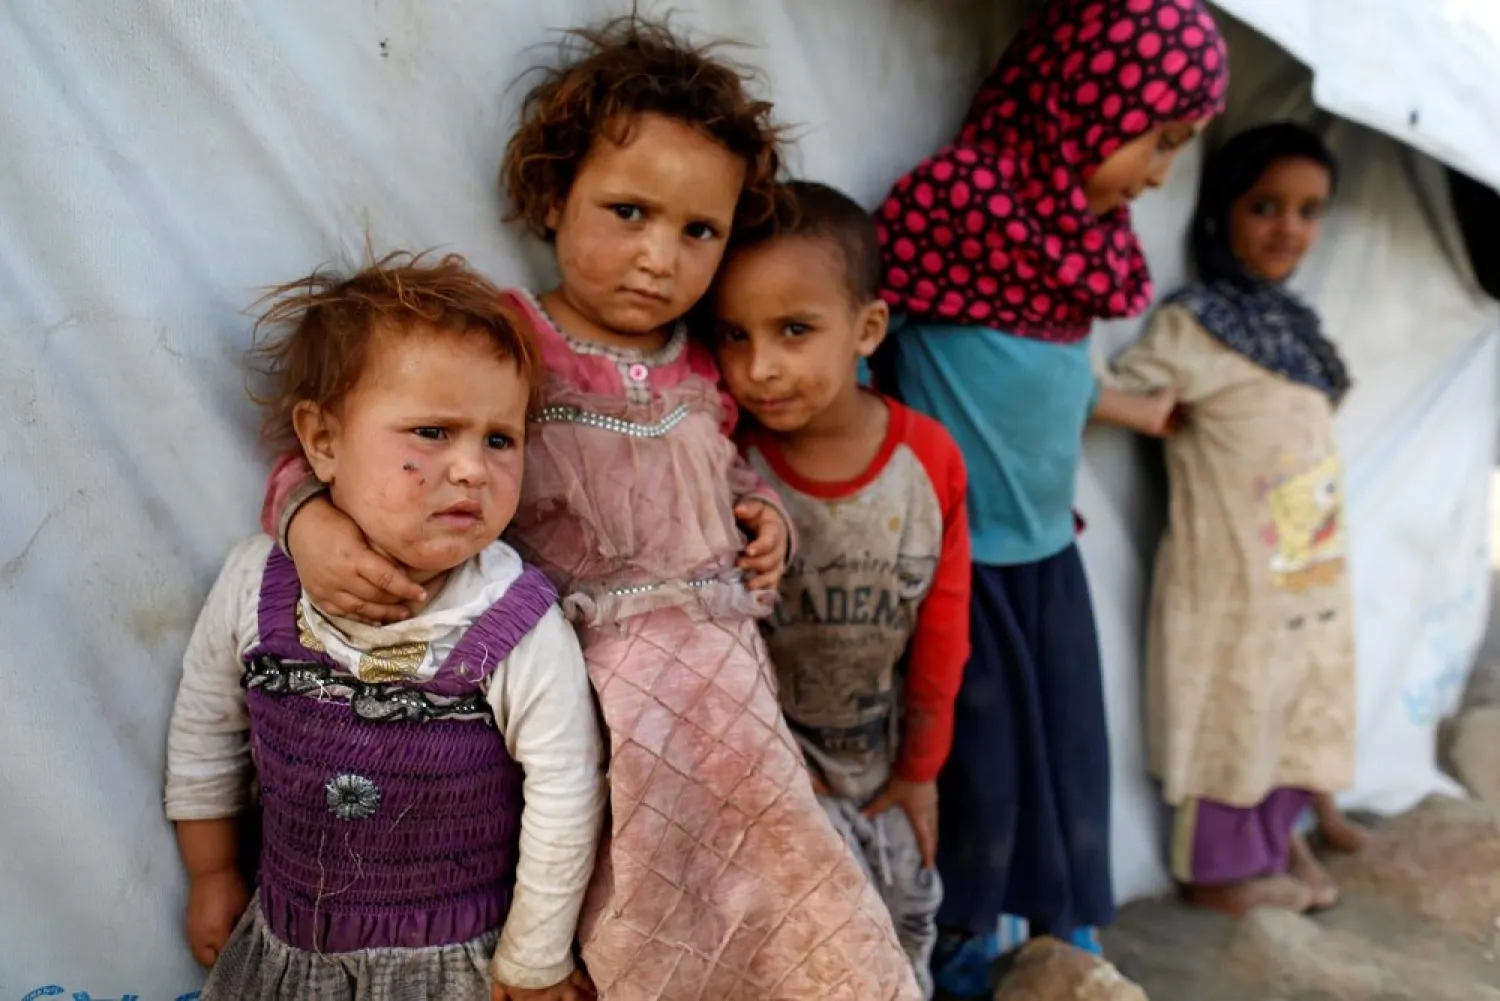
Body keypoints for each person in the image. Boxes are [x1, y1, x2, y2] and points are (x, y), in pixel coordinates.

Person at [258, 19, 921, 1001]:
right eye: (628, 210)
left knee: (785, 874)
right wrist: (308, 522)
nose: (661, 256)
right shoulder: (507, 340)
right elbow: (354, 445)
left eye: (699, 230)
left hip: (727, 680)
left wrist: (758, 514)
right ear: (553, 195)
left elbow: (717, 473)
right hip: (591, 679)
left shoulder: (703, 363)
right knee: (643, 884)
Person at [872, 0, 1230, 993]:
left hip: (1046, 550)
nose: (1161, 172)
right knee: (977, 759)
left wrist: (1139, 409)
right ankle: (967, 940)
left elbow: (1048, 381)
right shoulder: (951, 208)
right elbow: (867, 351)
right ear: (1087, 94)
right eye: (1158, 139)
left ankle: (1064, 927)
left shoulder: (1080, 241)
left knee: (1069, 747)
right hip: (964, 560)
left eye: (1177, 148)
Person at [164, 252, 607, 1001]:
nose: (471, 468)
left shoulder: (515, 620)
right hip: (287, 952)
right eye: (432, 431)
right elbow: (206, 728)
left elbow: (566, 791)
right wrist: (211, 871)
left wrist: (535, 959)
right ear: (324, 440)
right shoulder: (256, 583)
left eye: (499, 440)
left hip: (455, 963)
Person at [711, 180, 972, 998]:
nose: (760, 367)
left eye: (795, 330)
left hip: (885, 765)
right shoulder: (726, 466)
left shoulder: (926, 462)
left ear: (867, 327)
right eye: (733, 335)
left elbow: (944, 627)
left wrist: (922, 770)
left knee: (898, 932)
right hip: (775, 778)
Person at [1102, 122, 1364, 917]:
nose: (1290, 227)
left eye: (1309, 210)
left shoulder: (1295, 329)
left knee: (1293, 693)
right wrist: (1152, 416)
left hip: (1300, 566)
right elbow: (1125, 387)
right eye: (1266, 205)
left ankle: (1277, 835)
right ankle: (1219, 871)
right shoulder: (1195, 323)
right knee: (1234, 703)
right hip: (1232, 573)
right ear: (1221, 210)